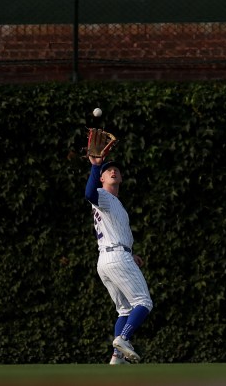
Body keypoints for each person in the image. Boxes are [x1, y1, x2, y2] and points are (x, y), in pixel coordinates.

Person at [85, 155, 153, 365]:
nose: (113, 171)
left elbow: (112, 231)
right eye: (108, 170)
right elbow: (89, 193)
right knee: (143, 302)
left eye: (116, 170)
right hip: (115, 257)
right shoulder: (102, 195)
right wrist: (95, 167)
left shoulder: (114, 203)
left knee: (124, 309)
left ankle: (117, 357)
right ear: (102, 179)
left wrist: (129, 253)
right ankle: (123, 339)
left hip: (106, 259)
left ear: (121, 178)